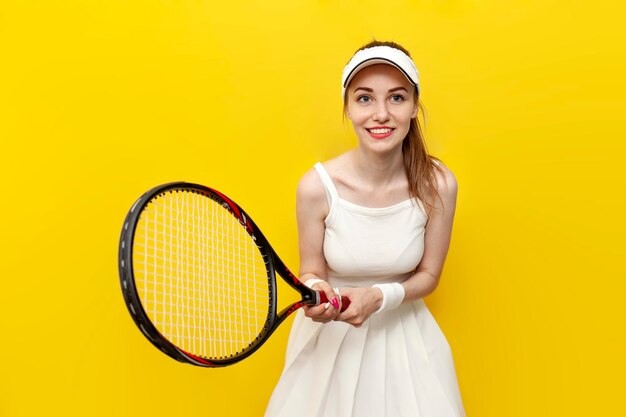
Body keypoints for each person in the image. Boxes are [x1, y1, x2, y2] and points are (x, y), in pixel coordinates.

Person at [265, 40, 466, 417]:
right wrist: (318, 290)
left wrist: (379, 296)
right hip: (329, 346)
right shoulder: (316, 187)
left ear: (413, 107)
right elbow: (311, 270)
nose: (381, 114)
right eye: (364, 99)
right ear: (347, 108)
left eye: (396, 98)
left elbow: (429, 275)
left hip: (409, 343)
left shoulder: (438, 184)